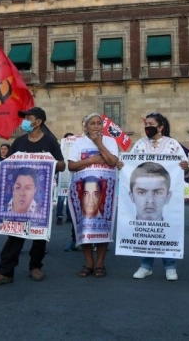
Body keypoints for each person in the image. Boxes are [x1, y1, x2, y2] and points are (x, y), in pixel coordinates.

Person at [0, 107, 65, 288]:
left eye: (29, 118)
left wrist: (48, 161)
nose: (25, 121)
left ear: (38, 122)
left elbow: (62, 165)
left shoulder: (50, 142)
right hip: (19, 195)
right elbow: (9, 164)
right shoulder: (19, 142)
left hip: (40, 197)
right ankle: (5, 272)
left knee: (39, 235)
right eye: (25, 118)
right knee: (14, 233)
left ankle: (35, 266)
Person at [126, 113, 188, 281]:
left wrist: (185, 166)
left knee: (167, 228)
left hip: (164, 195)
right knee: (145, 229)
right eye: (146, 124)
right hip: (145, 193)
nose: (147, 127)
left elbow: (185, 167)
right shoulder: (139, 144)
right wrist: (122, 164)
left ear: (160, 127)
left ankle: (170, 266)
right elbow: (130, 164)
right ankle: (146, 266)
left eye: (151, 124)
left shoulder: (173, 144)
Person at [68, 113, 118, 279]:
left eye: (99, 123)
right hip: (82, 191)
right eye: (92, 124)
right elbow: (72, 165)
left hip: (104, 192)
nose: (96, 126)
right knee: (85, 226)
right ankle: (89, 263)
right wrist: (93, 160)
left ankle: (100, 263)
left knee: (103, 226)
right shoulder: (78, 143)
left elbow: (112, 161)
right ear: (86, 127)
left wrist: (99, 143)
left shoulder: (110, 141)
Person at [56, 132, 75, 225]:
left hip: (71, 174)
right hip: (62, 175)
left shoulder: (76, 149)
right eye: (68, 139)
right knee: (61, 197)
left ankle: (69, 216)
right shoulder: (60, 149)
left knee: (69, 197)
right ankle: (59, 216)